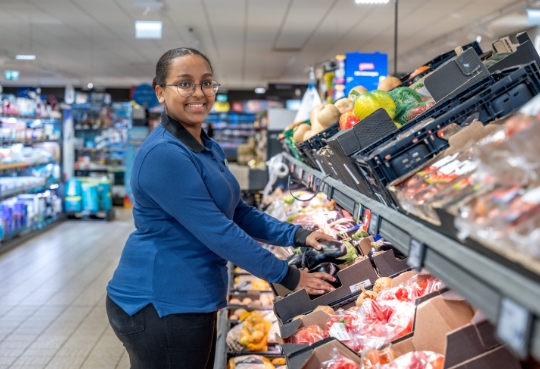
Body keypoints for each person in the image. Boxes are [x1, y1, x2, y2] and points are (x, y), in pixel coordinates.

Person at [105, 47, 337, 369]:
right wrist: (289, 275)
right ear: (160, 92)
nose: (198, 93)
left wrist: (297, 235)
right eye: (184, 84)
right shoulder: (163, 155)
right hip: (160, 301)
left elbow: (237, 212)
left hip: (190, 295)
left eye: (207, 83)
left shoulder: (206, 146)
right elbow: (218, 230)